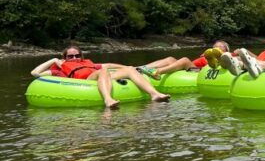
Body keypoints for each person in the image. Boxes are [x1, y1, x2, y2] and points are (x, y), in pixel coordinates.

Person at [30, 46, 170, 108]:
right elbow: (35, 73)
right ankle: (108, 99)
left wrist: (132, 68)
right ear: (65, 57)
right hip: (85, 81)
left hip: (98, 75)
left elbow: (108, 64)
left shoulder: (88, 63)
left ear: (81, 56)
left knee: (129, 69)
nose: (74, 58)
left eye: (77, 55)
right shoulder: (59, 69)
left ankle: (154, 94)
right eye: (70, 56)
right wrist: (53, 60)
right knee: (103, 71)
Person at [137, 40, 230, 79]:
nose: (216, 48)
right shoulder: (205, 56)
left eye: (220, 47)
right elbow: (192, 65)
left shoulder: (228, 56)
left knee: (185, 60)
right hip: (195, 70)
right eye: (215, 47)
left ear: (226, 50)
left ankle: (158, 72)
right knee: (170, 59)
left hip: (204, 73)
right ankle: (140, 68)